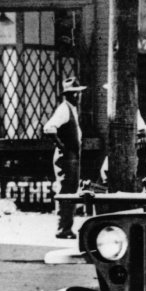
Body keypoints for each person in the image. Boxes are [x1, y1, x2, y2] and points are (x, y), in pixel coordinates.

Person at [42, 76, 85, 239]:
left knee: (71, 189)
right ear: (69, 95)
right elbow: (49, 128)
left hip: (72, 155)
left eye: (78, 93)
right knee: (66, 190)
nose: (77, 96)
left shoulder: (71, 109)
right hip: (67, 156)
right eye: (74, 93)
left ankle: (67, 227)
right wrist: (61, 145)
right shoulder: (64, 109)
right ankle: (62, 228)